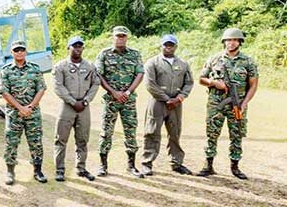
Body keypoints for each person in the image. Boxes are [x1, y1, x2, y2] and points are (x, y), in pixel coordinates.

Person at [197, 28, 259, 180]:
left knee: (236, 135)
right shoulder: (214, 59)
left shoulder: (248, 61)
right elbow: (201, 79)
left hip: (237, 104)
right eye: (228, 40)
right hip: (216, 103)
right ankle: (208, 165)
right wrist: (213, 83)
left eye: (234, 40)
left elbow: (253, 85)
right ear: (224, 42)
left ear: (240, 42)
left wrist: (244, 104)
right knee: (212, 133)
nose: (231, 43)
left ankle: (235, 166)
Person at [140, 34, 194, 176]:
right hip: (157, 102)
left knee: (175, 133)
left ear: (176, 46)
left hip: (176, 103)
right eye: (166, 44)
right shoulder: (152, 63)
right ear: (161, 46)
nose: (168, 47)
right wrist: (166, 99)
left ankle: (177, 163)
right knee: (152, 132)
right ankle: (147, 163)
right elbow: (150, 84)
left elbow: (189, 83)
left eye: (171, 45)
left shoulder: (183, 64)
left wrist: (180, 97)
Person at [95, 26, 145, 178]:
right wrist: (113, 92)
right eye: (118, 36)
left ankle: (131, 165)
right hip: (110, 100)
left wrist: (128, 92)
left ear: (127, 37)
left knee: (130, 131)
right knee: (106, 132)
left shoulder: (135, 54)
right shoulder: (104, 54)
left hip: (128, 100)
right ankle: (103, 166)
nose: (120, 38)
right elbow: (99, 75)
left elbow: (140, 73)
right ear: (113, 37)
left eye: (123, 36)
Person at [52, 35, 101, 182]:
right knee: (61, 139)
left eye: (80, 46)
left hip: (84, 108)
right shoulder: (60, 66)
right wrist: (73, 102)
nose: (78, 48)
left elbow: (95, 84)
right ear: (69, 48)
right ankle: (60, 169)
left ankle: (81, 168)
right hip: (67, 107)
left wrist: (86, 101)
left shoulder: (90, 66)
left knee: (82, 139)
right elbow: (58, 86)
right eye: (75, 46)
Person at [0, 40, 48, 185]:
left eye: (22, 50)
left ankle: (37, 170)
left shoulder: (35, 69)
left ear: (26, 52)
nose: (19, 52)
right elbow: (4, 92)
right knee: (11, 142)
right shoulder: (6, 70)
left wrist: (31, 107)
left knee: (36, 142)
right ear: (12, 52)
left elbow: (41, 88)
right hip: (14, 114)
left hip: (32, 113)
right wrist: (21, 108)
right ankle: (10, 171)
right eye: (16, 50)